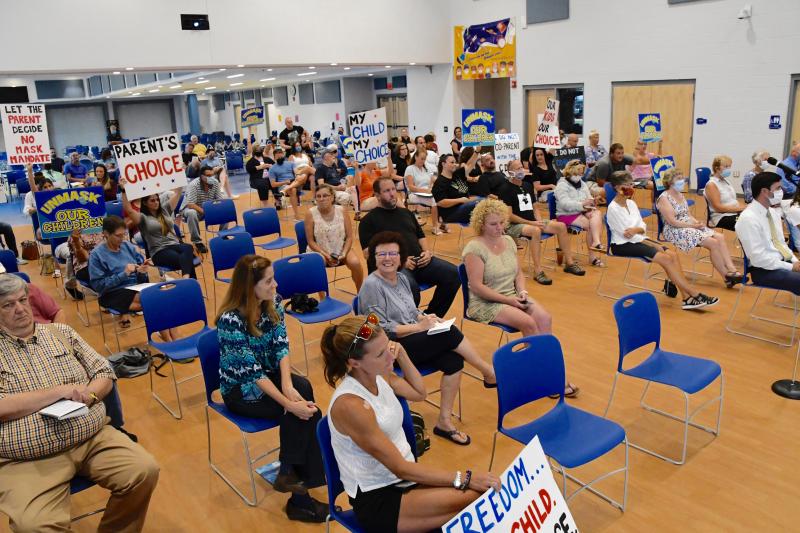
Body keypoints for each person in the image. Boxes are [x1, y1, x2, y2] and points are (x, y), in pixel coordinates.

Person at [0, 274, 159, 532]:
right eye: (8, 305)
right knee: (34, 527)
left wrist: (91, 396)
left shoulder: (61, 333)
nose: (19, 309)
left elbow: (104, 372)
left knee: (144, 470)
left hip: (91, 439)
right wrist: (57, 393)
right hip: (27, 460)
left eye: (22, 300)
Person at [321, 315, 500, 533]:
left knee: (482, 498)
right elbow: (400, 468)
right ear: (354, 363)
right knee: (480, 497)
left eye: (388, 346)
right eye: (380, 354)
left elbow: (419, 393)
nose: (390, 356)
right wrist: (465, 477)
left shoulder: (379, 376)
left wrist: (403, 354)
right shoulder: (350, 405)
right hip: (380, 496)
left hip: (405, 478)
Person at [215, 254, 330, 523]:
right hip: (240, 390)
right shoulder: (230, 321)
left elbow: (281, 344)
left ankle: (289, 471)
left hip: (268, 376)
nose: (275, 285)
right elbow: (251, 372)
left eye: (273, 278)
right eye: (268, 281)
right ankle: (299, 495)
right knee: (306, 413)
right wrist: (288, 403)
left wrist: (288, 386)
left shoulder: (273, 303)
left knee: (302, 388)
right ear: (249, 286)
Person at [358, 231, 497, 446]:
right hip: (391, 348)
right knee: (449, 333)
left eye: (393, 253)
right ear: (374, 258)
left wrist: (425, 317)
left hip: (413, 338)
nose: (388, 258)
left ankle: (444, 422)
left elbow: (411, 310)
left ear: (401, 257)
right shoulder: (371, 286)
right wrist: (418, 327)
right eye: (381, 254)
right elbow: (377, 328)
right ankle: (488, 372)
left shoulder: (402, 278)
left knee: (453, 361)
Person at [462, 199, 580, 396]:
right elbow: (476, 286)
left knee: (545, 318)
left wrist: (522, 292)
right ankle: (540, 376)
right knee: (528, 323)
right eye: (493, 224)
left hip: (511, 295)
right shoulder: (474, 248)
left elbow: (518, 273)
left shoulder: (508, 241)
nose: (499, 228)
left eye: (501, 222)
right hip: (485, 302)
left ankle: (550, 372)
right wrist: (509, 301)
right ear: (481, 224)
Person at [607, 171, 719, 310]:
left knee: (672, 254)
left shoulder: (631, 203)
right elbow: (627, 235)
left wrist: (638, 231)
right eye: (628, 185)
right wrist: (648, 241)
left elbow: (642, 227)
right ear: (618, 188)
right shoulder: (613, 208)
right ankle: (694, 293)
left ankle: (686, 298)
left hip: (639, 239)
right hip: (622, 245)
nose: (632, 187)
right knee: (665, 258)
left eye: (632, 184)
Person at [359, 177, 460, 318]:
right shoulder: (368, 221)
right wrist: (398, 261)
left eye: (393, 189)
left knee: (454, 274)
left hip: (421, 261)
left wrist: (427, 252)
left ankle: (431, 317)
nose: (392, 193)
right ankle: (411, 323)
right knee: (411, 289)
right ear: (377, 195)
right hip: (394, 268)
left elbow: (421, 236)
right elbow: (368, 254)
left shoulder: (406, 213)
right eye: (387, 191)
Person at [499, 159, 586, 285]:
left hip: (532, 222)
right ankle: (538, 271)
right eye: (517, 169)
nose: (521, 170)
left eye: (521, 167)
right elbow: (509, 216)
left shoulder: (527, 185)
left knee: (561, 226)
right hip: (515, 225)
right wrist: (533, 223)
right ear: (510, 172)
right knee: (535, 231)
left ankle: (569, 263)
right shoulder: (505, 189)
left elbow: (535, 207)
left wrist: (539, 220)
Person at [657, 168, 743, 288]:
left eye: (682, 178)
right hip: (674, 230)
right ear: (670, 182)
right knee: (713, 243)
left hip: (688, 225)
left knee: (720, 237)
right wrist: (693, 225)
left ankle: (732, 270)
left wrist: (697, 222)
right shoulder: (664, 198)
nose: (683, 181)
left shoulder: (680, 195)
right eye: (679, 179)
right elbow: (672, 222)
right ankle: (726, 277)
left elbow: (688, 215)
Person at [736, 172, 800, 294]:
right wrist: (791, 267)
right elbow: (758, 259)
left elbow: (781, 244)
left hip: (781, 263)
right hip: (764, 270)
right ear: (765, 191)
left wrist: (795, 261)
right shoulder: (748, 219)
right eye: (778, 188)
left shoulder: (772, 212)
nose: (781, 191)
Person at [89, 216, 157, 326]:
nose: (122, 238)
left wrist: (142, 271)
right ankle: (166, 334)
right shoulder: (97, 255)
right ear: (106, 234)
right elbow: (98, 286)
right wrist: (124, 274)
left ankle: (170, 335)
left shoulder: (128, 246)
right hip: (111, 293)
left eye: (124, 234)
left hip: (134, 288)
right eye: (118, 235)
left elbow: (141, 278)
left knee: (159, 296)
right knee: (151, 301)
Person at [121, 183, 196, 280]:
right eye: (152, 200)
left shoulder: (165, 209)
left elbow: (177, 193)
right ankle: (190, 283)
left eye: (157, 200)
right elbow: (129, 210)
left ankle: (187, 280)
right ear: (145, 203)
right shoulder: (142, 218)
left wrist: (179, 178)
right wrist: (123, 191)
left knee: (188, 247)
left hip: (175, 245)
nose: (156, 202)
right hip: (159, 252)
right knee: (188, 259)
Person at [305, 184, 364, 291]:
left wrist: (344, 253)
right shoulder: (310, 213)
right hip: (319, 249)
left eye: (325, 195)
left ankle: (360, 293)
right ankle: (322, 295)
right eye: (318, 196)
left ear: (332, 197)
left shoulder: (342, 210)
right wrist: (326, 255)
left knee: (355, 263)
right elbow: (310, 241)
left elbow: (349, 237)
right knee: (318, 264)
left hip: (341, 247)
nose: (321, 199)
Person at [554, 159, 606, 267]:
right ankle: (593, 256)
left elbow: (588, 197)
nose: (580, 175)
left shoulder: (582, 183)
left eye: (582, 172)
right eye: (577, 172)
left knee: (597, 213)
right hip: (566, 214)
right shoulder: (561, 185)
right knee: (592, 225)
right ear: (570, 171)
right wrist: (582, 204)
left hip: (580, 211)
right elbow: (565, 204)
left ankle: (596, 242)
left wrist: (593, 201)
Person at [182, 165, 226, 254]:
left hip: (207, 209)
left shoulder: (215, 183)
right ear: (201, 176)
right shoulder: (194, 185)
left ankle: (223, 235)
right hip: (192, 208)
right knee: (191, 213)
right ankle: (197, 242)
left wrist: (218, 208)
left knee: (225, 209)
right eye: (208, 176)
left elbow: (220, 200)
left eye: (212, 175)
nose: (211, 178)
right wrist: (206, 212)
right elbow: (190, 204)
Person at [432, 153, 481, 225]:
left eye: (455, 162)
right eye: (452, 162)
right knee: (482, 204)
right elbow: (441, 202)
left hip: (464, 207)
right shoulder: (439, 182)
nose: (455, 164)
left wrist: (476, 152)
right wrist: (460, 200)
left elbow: (470, 165)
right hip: (452, 213)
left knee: (486, 202)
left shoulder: (457, 174)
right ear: (443, 164)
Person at [404, 149, 441, 232]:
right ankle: (435, 227)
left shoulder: (425, 169)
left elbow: (431, 181)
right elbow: (411, 187)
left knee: (441, 197)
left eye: (424, 159)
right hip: (414, 194)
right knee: (434, 201)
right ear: (416, 157)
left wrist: (431, 187)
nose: (423, 161)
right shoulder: (410, 169)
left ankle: (442, 223)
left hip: (427, 193)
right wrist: (426, 191)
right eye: (421, 158)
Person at [704, 155, 745, 231]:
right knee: (747, 223)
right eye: (726, 166)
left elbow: (733, 201)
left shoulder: (725, 181)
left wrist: (746, 207)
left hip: (733, 213)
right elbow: (718, 208)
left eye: (729, 166)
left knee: (754, 218)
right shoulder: (711, 185)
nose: (728, 169)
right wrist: (740, 209)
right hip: (721, 217)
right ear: (717, 168)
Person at [269, 146, 306, 221]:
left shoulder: (291, 163)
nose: (279, 157)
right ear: (274, 158)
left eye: (281, 155)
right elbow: (273, 184)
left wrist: (298, 175)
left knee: (304, 175)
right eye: (277, 157)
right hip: (283, 185)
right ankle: (296, 215)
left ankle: (285, 190)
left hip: (294, 181)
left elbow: (296, 172)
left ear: (283, 155)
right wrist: (285, 182)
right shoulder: (272, 168)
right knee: (293, 190)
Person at [246, 142, 275, 208]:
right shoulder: (251, 161)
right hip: (256, 179)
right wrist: (259, 167)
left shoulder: (266, 159)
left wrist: (271, 166)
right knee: (262, 183)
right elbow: (249, 169)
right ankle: (265, 205)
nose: (259, 150)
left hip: (269, 178)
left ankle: (278, 201)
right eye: (257, 149)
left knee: (275, 181)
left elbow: (275, 165)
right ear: (254, 151)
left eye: (260, 149)